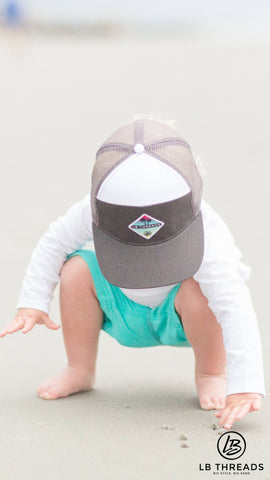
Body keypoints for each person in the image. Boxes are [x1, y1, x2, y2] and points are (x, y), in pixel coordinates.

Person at [0, 117, 265, 430]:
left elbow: (233, 304)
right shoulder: (90, 209)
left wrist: (245, 383)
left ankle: (210, 372)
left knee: (201, 290)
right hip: (121, 308)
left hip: (181, 316)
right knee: (76, 271)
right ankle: (79, 367)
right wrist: (33, 301)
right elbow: (53, 241)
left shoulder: (210, 232)